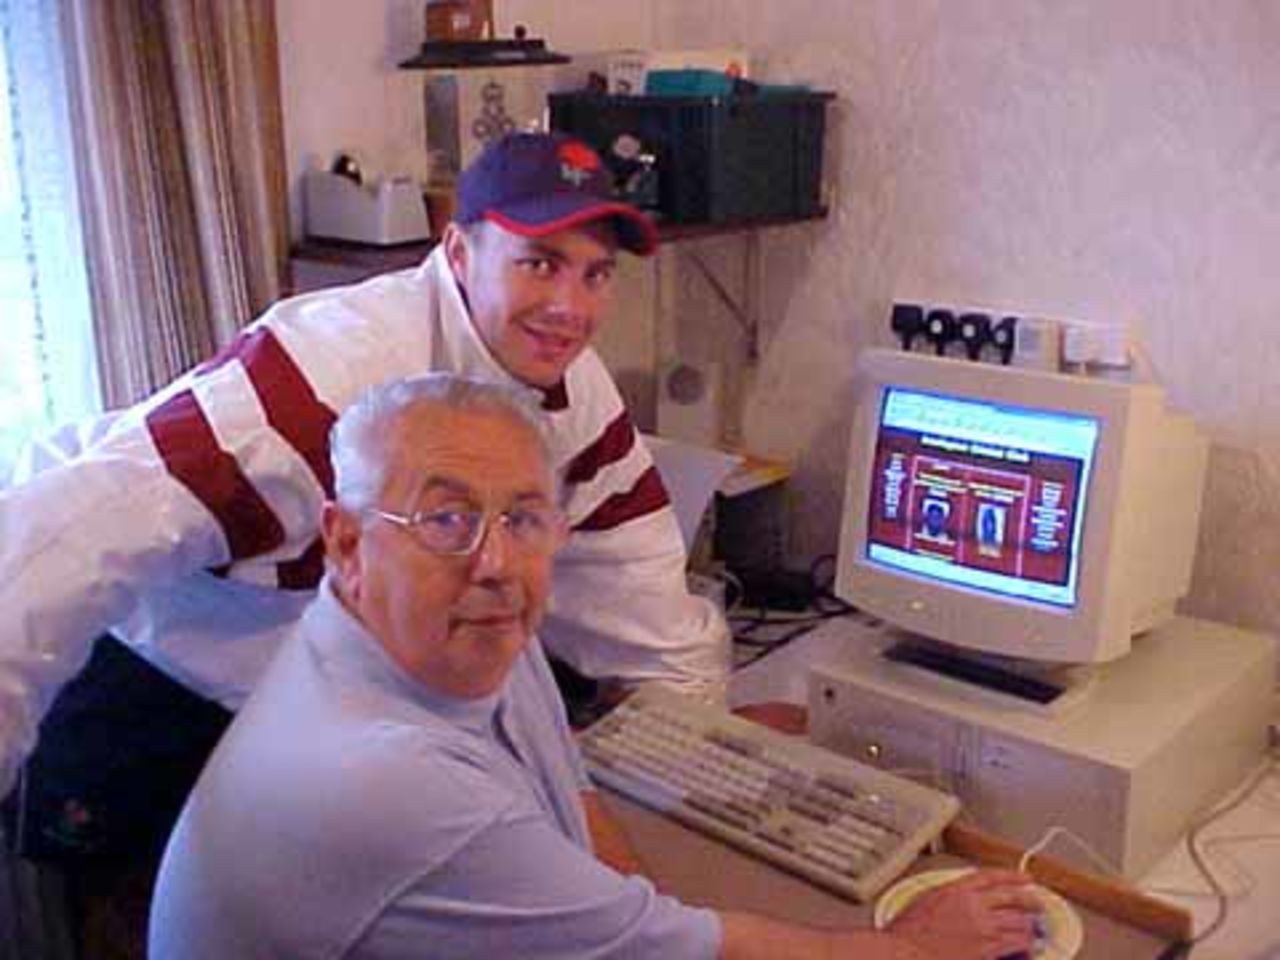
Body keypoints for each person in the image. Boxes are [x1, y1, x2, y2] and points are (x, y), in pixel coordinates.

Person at [148, 373, 1041, 959]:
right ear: (346, 544)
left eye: (526, 517)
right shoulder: (381, 775)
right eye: (446, 519)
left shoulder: (468, 633)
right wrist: (919, 947)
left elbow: (571, 793)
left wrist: (627, 916)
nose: (496, 561)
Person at [0, 131, 728, 840]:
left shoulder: (572, 389)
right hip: (160, 688)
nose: (570, 308)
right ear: (459, 252)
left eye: (595, 274)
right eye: (539, 264)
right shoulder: (322, 381)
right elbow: (55, 540)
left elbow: (642, 605)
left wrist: (696, 777)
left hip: (329, 711)